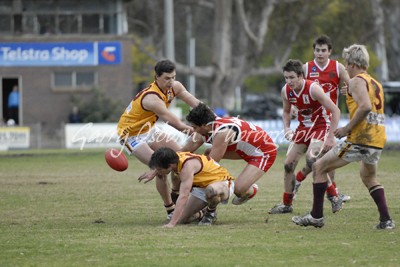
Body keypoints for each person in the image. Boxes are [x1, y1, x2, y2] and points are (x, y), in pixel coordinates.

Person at [292, 44, 395, 230]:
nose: (345, 68)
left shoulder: (356, 81)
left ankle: (316, 216)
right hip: (377, 137)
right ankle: (386, 220)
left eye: (347, 64)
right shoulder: (374, 82)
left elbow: (364, 106)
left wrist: (347, 128)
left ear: (354, 63)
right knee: (369, 177)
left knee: (318, 166)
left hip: (360, 138)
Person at [118, 59, 201, 219]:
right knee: (162, 169)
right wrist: (195, 132)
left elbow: (195, 103)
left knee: (181, 159)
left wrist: (213, 119)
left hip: (150, 129)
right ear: (156, 77)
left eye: (173, 77)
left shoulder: (175, 87)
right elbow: (172, 121)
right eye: (167, 78)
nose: (171, 82)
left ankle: (177, 196)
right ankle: (170, 209)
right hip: (132, 135)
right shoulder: (151, 98)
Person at [268, 59, 341, 214]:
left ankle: (334, 197)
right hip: (303, 129)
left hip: (320, 126)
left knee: (312, 159)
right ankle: (287, 204)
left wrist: (330, 137)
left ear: (301, 76)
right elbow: (286, 112)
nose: (289, 81)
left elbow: (335, 111)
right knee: (288, 164)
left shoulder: (313, 89)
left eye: (292, 77)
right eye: (286, 78)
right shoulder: (286, 91)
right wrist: (287, 128)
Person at [293, 35, 351, 202]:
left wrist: (346, 90)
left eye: (323, 50)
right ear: (314, 51)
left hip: (330, 118)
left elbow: (352, 85)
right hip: (312, 120)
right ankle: (327, 191)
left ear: (330, 52)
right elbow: (297, 89)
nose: (320, 53)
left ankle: (327, 190)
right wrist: (296, 108)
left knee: (326, 156)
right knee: (318, 158)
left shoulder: (338, 67)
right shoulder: (306, 68)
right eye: (317, 50)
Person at [183, 103, 277, 205]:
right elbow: (184, 151)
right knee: (208, 154)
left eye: (195, 127)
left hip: (263, 151)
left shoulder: (222, 133)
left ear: (205, 125)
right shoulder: (208, 126)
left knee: (239, 190)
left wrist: (192, 181)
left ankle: (251, 190)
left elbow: (211, 166)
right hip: (244, 148)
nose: (193, 130)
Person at [148, 147, 235, 228]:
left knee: (211, 190)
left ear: (170, 164)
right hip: (202, 187)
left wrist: (172, 223)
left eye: (159, 168)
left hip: (222, 182)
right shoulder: (174, 159)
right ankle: (201, 213)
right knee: (181, 220)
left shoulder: (187, 166)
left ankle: (210, 213)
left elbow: (184, 196)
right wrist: (154, 172)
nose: (158, 171)